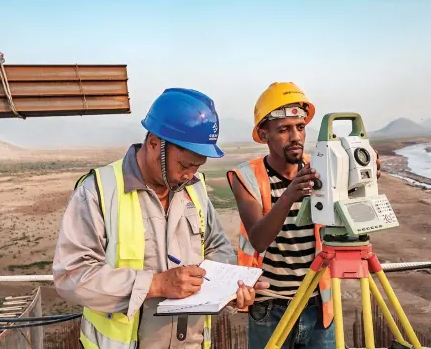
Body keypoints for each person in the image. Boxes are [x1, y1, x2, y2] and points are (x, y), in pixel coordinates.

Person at [53, 88, 269, 349]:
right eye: (184, 165)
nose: (191, 175)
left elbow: (216, 246)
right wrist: (154, 285)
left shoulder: (194, 187)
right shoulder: (98, 190)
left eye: (197, 166)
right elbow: (72, 276)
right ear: (154, 143)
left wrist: (229, 288)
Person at [226, 82, 381, 348]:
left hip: (319, 304)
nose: (296, 137)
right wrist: (289, 195)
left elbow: (347, 215)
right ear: (264, 135)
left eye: (300, 127)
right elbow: (258, 239)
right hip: (270, 307)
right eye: (284, 129)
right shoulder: (246, 177)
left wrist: (361, 176)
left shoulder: (322, 167)